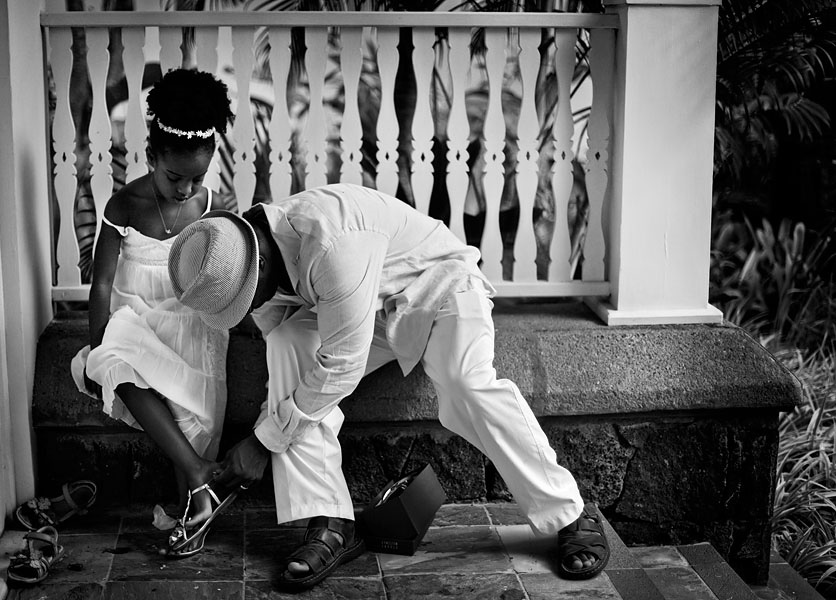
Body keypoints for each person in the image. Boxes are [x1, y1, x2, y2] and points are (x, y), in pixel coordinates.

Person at [168, 183, 610, 588]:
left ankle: (568, 511)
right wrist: (266, 432)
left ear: (257, 263)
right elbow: (297, 371)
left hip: (439, 287)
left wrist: (264, 442)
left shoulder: (333, 242)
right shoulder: (248, 263)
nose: (251, 307)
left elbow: (341, 364)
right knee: (286, 343)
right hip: (368, 311)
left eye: (248, 298)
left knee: (464, 384)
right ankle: (331, 522)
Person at [71, 68, 236, 558]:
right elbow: (100, 282)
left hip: (192, 324)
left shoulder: (210, 206)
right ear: (150, 158)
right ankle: (198, 475)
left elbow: (228, 276)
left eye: (196, 179)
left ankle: (193, 492)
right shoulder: (125, 204)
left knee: (197, 417)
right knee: (112, 360)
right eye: (174, 177)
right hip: (137, 320)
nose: (185, 190)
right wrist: (100, 339)